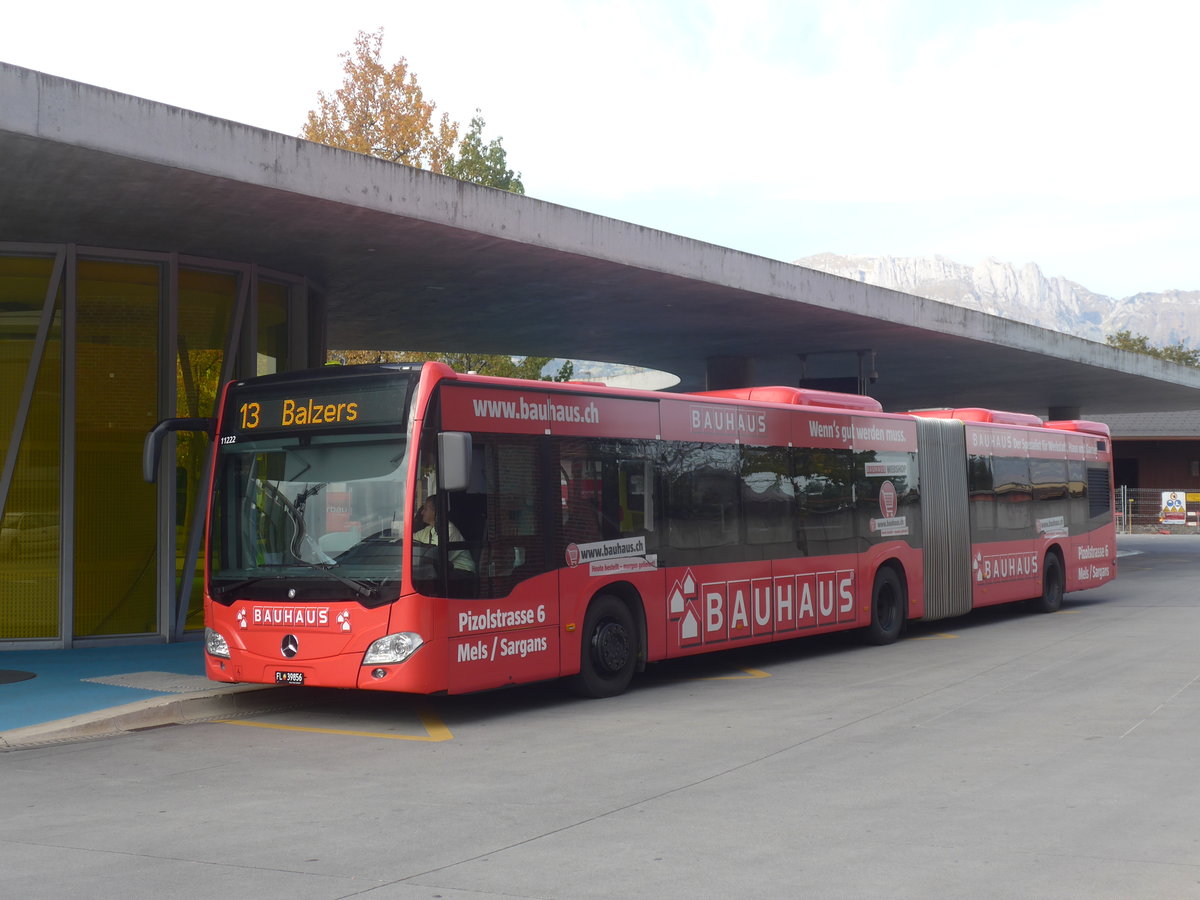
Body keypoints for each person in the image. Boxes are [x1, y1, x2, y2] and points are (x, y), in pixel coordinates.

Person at [413, 494, 476, 573]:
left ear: (435, 511)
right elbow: (410, 540)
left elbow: (435, 557)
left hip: (463, 572)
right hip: (444, 571)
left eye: (425, 509)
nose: (422, 512)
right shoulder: (428, 530)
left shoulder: (448, 529)